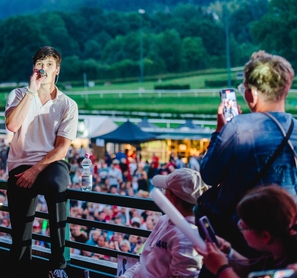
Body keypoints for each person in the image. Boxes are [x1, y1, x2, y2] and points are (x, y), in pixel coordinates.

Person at [198, 51, 297, 265]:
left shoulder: (237, 129)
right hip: (284, 240)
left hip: (240, 236)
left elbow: (208, 175)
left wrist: (219, 131)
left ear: (252, 93)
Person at [5, 46, 78, 278]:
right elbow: (12, 126)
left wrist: (36, 170)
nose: (43, 69)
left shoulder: (68, 104)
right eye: (40, 64)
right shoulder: (18, 94)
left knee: (56, 186)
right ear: (33, 68)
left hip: (50, 163)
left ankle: (57, 264)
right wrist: (31, 92)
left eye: (48, 64)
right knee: (21, 233)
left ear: (57, 69)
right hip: (20, 163)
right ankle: (20, 270)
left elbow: (62, 147)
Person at [118, 168, 207, 278]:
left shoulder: (187, 238)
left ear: (173, 199)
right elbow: (144, 263)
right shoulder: (164, 220)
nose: (163, 193)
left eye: (165, 190)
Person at [197, 185, 297, 278]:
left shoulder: (290, 270)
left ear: (265, 237)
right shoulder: (276, 250)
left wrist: (221, 269)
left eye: (244, 226)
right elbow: (253, 270)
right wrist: (230, 252)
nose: (238, 225)